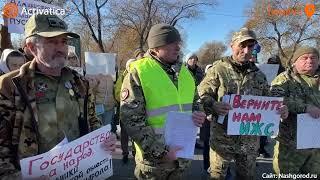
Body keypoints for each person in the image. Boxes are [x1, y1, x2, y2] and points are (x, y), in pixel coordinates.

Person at [0, 14, 116, 179]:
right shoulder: (10, 85)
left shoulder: (80, 83)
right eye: (52, 41)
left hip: (78, 172)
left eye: (63, 41)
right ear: (31, 47)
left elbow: (92, 121)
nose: (61, 48)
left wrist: (103, 139)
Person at [198, 27, 288, 180]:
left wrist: (280, 109)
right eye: (242, 45)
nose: (246, 51)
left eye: (250, 46)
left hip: (249, 141)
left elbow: (268, 101)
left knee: (247, 176)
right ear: (232, 45)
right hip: (222, 139)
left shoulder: (259, 75)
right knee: (217, 176)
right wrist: (213, 105)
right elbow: (202, 95)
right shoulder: (218, 69)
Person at [120, 23, 206, 179]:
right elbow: (131, 119)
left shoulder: (185, 72)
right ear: (155, 47)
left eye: (178, 43)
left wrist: (199, 112)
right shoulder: (138, 71)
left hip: (181, 157)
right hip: (155, 163)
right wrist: (160, 152)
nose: (178, 47)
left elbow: (195, 101)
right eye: (171, 43)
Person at [271, 46, 320, 175]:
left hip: (316, 146)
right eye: (304, 58)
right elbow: (275, 99)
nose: (309, 61)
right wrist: (304, 108)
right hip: (290, 145)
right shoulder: (284, 79)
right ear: (295, 61)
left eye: (313, 58)